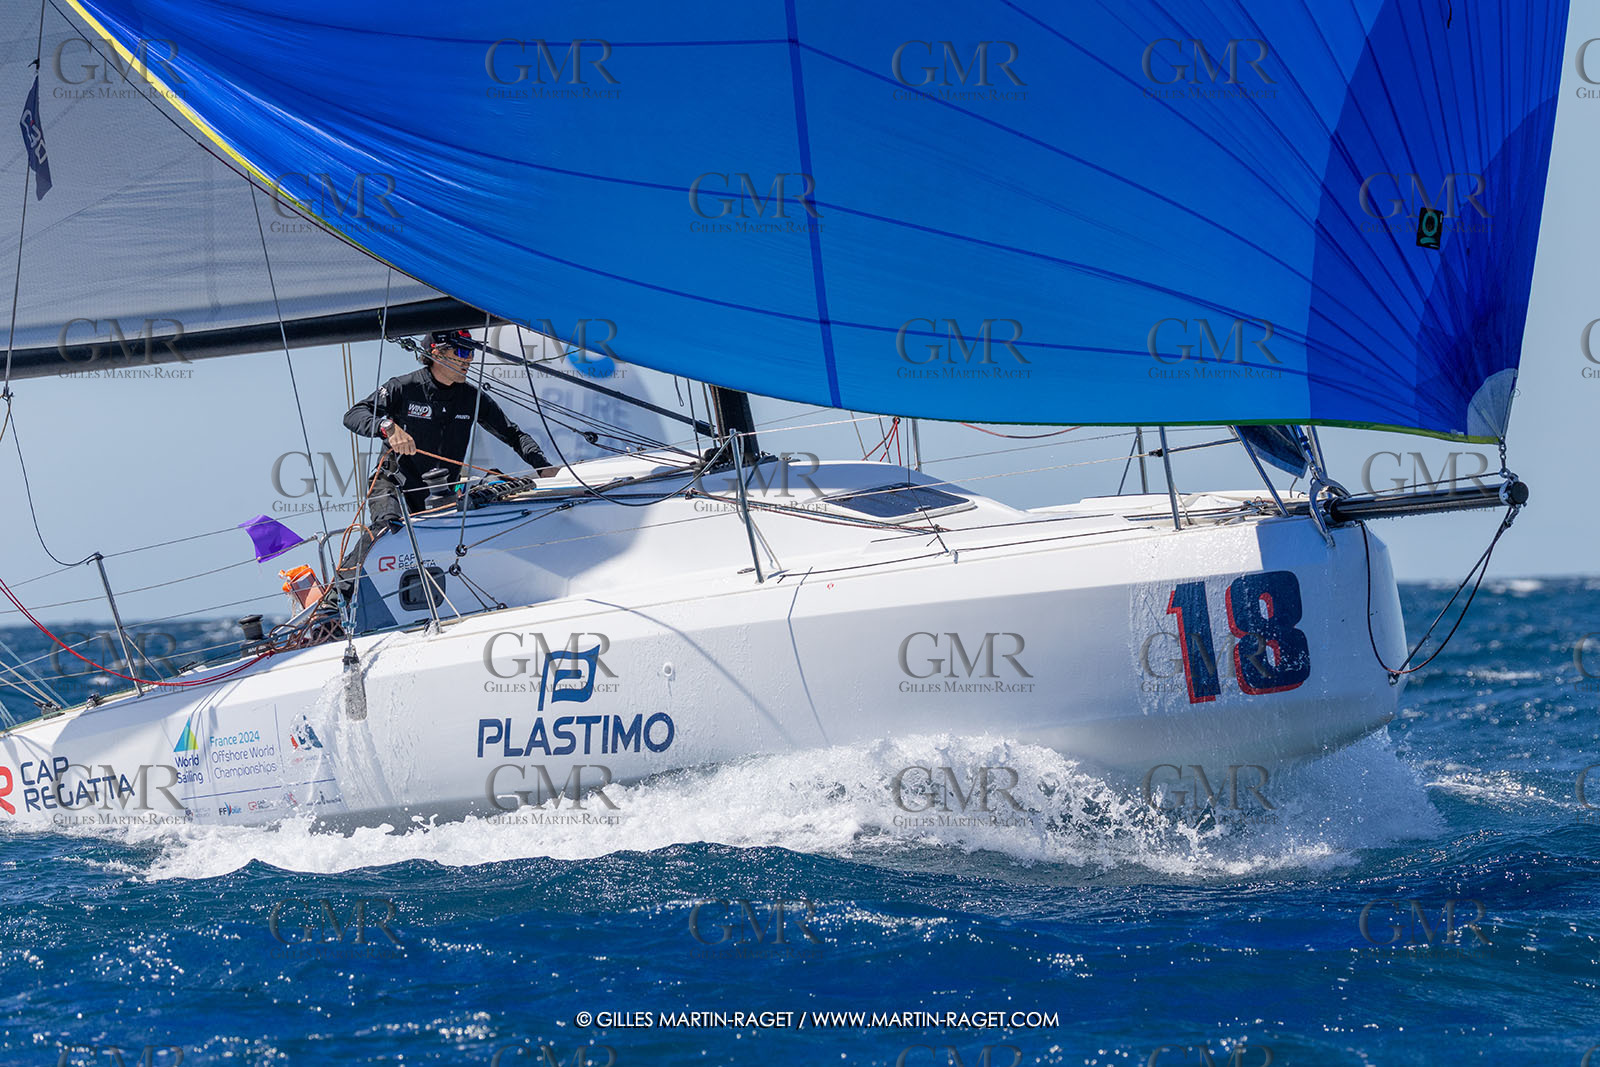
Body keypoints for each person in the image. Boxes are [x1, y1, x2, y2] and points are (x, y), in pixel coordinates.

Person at [336, 329, 556, 586]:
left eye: (471, 351)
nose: (469, 359)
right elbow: (354, 414)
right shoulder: (404, 387)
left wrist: (544, 468)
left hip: (439, 492)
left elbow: (513, 434)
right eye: (461, 351)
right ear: (437, 353)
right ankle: (336, 596)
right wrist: (388, 427)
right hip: (395, 483)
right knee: (386, 530)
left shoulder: (471, 398)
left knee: (446, 545)